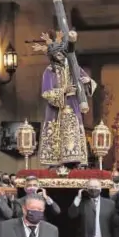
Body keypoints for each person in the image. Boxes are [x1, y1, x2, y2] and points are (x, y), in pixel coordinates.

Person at [32, 30, 96, 167]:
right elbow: (46, 92)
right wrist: (63, 91)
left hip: (73, 106)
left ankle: (75, 161)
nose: (59, 56)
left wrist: (87, 82)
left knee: (73, 132)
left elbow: (88, 83)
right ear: (52, 56)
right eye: (56, 54)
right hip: (56, 110)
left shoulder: (74, 67)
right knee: (57, 133)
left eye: (61, 53)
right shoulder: (50, 71)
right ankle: (55, 162)